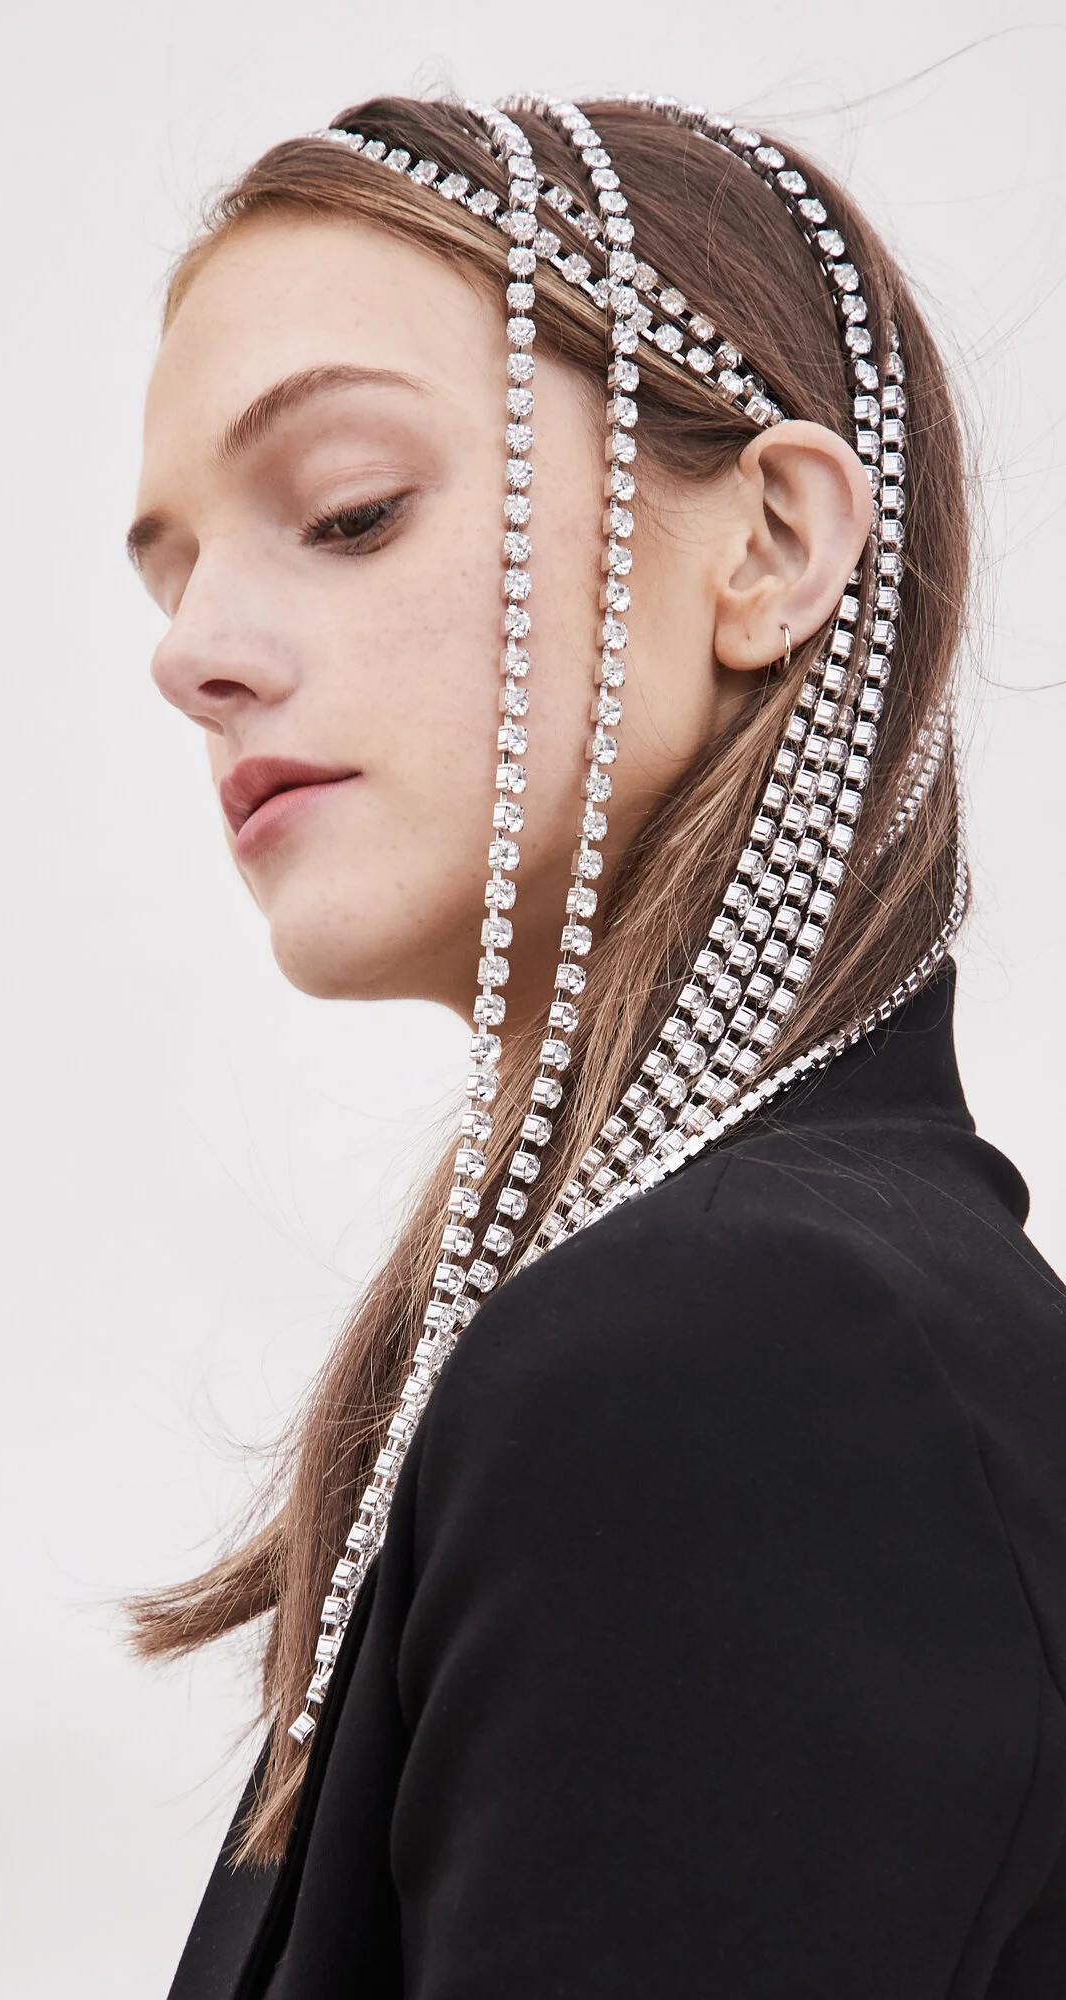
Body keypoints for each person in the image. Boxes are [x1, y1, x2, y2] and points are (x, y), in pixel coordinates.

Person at [126, 94, 1066, 1998]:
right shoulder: (774, 1316)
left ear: (770, 545)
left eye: (349, 510)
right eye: (174, 573)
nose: (191, 653)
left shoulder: (741, 1356)